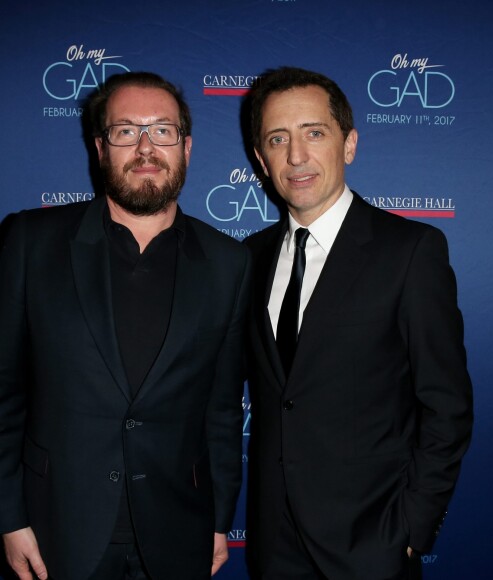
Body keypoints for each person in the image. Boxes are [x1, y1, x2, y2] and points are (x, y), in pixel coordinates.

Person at [0, 72, 251, 580]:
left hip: (178, 530)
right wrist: (9, 517)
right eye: (124, 131)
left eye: (162, 130)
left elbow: (222, 410)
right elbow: (3, 393)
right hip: (54, 531)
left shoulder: (229, 262)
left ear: (186, 147)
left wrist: (220, 521)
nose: (145, 147)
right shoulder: (30, 242)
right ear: (99, 147)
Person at [243, 66, 473, 580]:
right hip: (273, 546)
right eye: (278, 139)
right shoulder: (248, 257)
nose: (296, 156)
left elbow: (447, 406)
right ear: (261, 159)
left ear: (349, 144)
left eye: (314, 133)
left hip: (372, 546)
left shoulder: (410, 252)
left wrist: (412, 530)